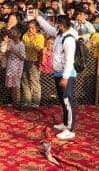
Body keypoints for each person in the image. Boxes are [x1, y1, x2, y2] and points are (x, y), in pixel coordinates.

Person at [36, 13, 78, 141]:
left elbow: (70, 60)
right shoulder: (59, 35)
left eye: (57, 24)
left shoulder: (69, 39)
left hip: (66, 74)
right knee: (62, 100)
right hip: (58, 73)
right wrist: (38, 17)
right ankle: (65, 123)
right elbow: (48, 29)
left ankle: (70, 129)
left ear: (62, 25)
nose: (55, 26)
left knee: (68, 101)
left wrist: (65, 77)